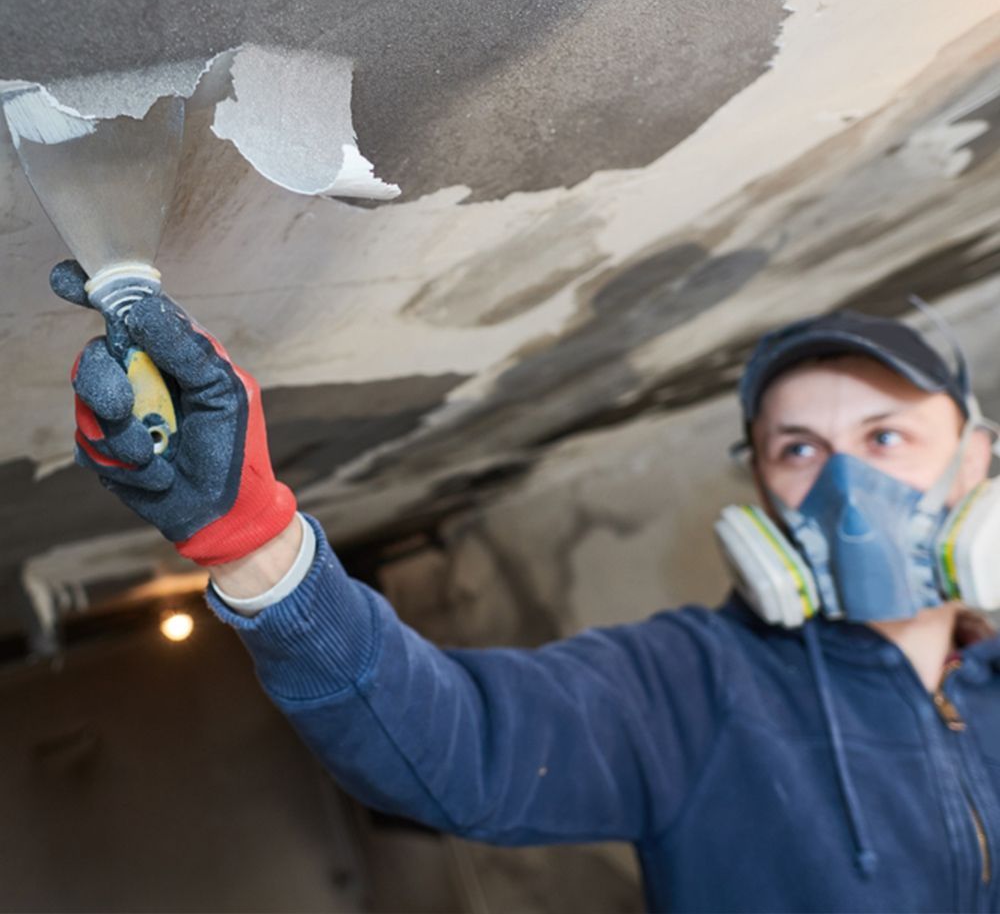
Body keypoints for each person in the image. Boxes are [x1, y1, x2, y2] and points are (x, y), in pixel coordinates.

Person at [51, 258, 1000, 913]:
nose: (844, 487)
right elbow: (462, 745)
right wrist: (256, 549)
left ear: (973, 462)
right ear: (759, 489)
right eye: (799, 449)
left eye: (885, 438)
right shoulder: (689, 690)